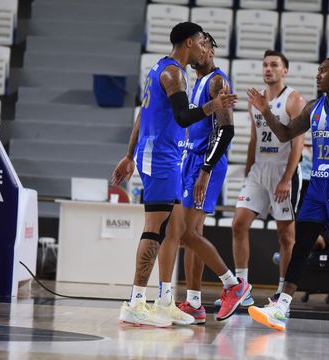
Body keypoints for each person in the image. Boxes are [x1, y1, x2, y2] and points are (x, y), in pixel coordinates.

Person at [111, 22, 240, 327]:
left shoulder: (162, 69)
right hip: (161, 157)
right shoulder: (173, 73)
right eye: (199, 42)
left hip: (167, 156)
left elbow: (144, 114)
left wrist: (129, 155)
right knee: (155, 228)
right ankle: (136, 301)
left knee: (177, 229)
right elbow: (183, 117)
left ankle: (166, 300)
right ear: (187, 43)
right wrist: (213, 106)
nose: (202, 47)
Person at [247, 56, 329, 335]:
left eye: (323, 71)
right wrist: (266, 111)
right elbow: (285, 134)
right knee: (301, 245)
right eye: (317, 71)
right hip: (317, 187)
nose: (318, 75)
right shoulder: (314, 108)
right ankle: (282, 307)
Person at [225, 50, 306, 306]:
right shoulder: (255, 100)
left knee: (285, 236)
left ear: (285, 71)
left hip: (283, 171)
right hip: (259, 171)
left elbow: (298, 145)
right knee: (238, 224)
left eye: (274, 65)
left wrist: (286, 178)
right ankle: (242, 289)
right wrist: (249, 169)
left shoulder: (294, 100)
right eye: (265, 65)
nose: (268, 69)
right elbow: (254, 138)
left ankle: (282, 292)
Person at [174, 33, 236, 324]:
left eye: (202, 45)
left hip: (205, 163)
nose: (197, 50)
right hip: (192, 159)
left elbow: (227, 130)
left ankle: (232, 284)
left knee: (186, 233)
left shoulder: (217, 82)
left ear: (210, 49)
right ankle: (194, 303)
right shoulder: (197, 81)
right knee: (192, 236)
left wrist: (206, 169)